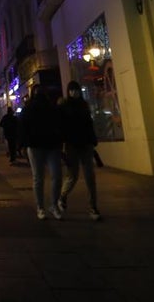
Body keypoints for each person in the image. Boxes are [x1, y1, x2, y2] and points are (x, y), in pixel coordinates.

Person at [58, 80, 102, 221]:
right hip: (72, 145)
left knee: (90, 177)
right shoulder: (64, 107)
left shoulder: (84, 105)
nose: (74, 92)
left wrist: (93, 139)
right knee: (73, 176)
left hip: (86, 144)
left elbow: (89, 124)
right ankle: (62, 196)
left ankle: (93, 207)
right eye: (71, 90)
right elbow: (62, 127)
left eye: (75, 90)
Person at [19, 83, 64, 220]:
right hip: (37, 145)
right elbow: (23, 127)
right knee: (39, 177)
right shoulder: (31, 108)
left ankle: (52, 204)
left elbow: (58, 124)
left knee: (54, 175)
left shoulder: (49, 108)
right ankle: (41, 206)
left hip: (49, 145)